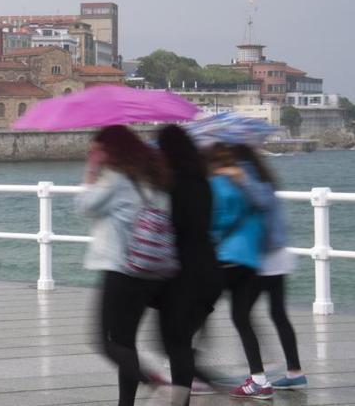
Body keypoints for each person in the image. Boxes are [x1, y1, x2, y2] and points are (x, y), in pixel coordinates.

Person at [75, 125, 172, 406]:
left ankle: (152, 380)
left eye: (97, 147)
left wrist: (92, 170)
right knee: (125, 342)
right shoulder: (149, 178)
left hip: (120, 269)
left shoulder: (116, 180)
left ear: (110, 150)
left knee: (105, 342)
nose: (94, 152)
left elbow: (84, 206)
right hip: (149, 270)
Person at [154, 125, 223, 401]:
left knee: (173, 343)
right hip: (208, 269)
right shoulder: (202, 181)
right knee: (178, 342)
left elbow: (174, 227)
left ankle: (199, 386)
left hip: (184, 273)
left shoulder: (174, 185)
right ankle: (200, 380)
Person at [232, 144, 307, 390]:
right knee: (278, 314)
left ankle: (257, 379)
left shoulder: (247, 174)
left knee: (241, 315)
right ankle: (295, 372)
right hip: (279, 254)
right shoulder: (262, 174)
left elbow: (260, 201)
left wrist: (240, 178)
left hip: (263, 258)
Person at [207, 143, 272, 399]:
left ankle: (189, 371)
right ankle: (259, 379)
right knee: (242, 318)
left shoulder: (217, 184)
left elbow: (219, 222)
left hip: (227, 259)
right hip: (252, 260)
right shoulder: (246, 181)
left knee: (197, 312)